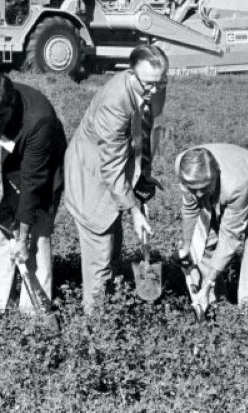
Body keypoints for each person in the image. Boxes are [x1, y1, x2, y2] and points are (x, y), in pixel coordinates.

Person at [64, 44, 168, 312]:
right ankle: (96, 330)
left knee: (114, 248)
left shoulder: (153, 86)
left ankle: (110, 307)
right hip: (93, 177)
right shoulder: (114, 102)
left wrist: (143, 173)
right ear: (130, 74)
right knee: (100, 254)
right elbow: (109, 164)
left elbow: (147, 131)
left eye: (161, 82)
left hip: (119, 172)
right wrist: (134, 209)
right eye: (148, 84)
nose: (155, 90)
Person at [0, 71, 67, 313]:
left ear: (12, 103)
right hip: (6, 165)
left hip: (43, 166)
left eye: (1, 117)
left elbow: (33, 183)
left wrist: (22, 237)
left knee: (38, 236)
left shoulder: (39, 119)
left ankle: (33, 313)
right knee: (2, 234)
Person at [176, 144, 248, 308]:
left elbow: (230, 236)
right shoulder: (185, 166)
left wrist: (209, 282)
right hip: (226, 190)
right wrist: (187, 245)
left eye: (203, 188)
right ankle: (217, 304)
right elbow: (190, 208)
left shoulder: (236, 184)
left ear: (216, 174)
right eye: (194, 189)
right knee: (205, 241)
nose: (199, 194)